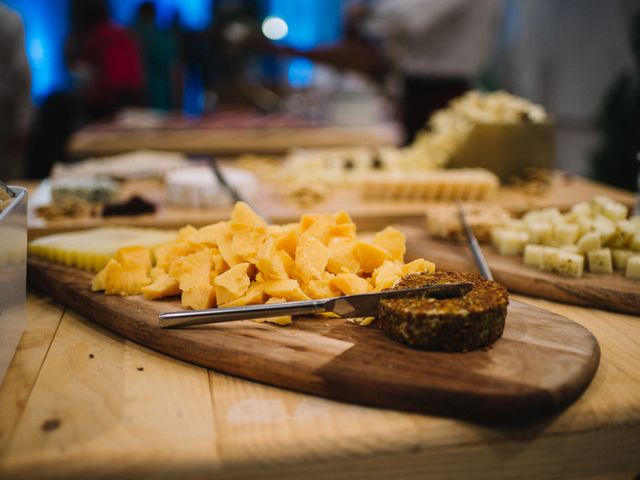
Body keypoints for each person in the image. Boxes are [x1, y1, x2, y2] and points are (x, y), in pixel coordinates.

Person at [0, 4, 31, 181]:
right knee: (9, 187)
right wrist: (23, 123)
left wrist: (22, 121)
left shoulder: (9, 20)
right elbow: (22, 74)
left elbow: (21, 75)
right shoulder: (9, 19)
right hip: (6, 113)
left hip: (6, 114)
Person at [131, 2, 179, 111]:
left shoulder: (131, 35)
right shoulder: (161, 38)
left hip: (137, 91)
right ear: (153, 14)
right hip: (159, 91)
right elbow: (173, 68)